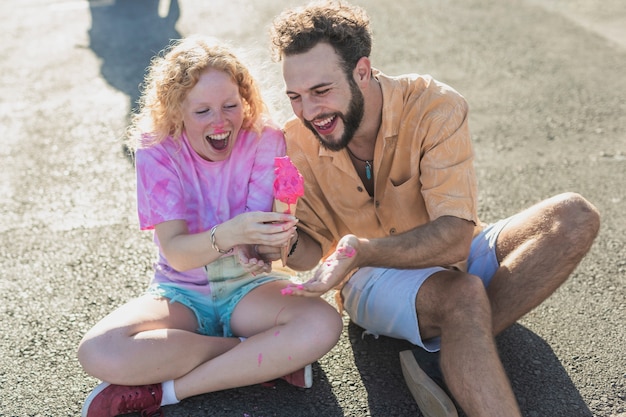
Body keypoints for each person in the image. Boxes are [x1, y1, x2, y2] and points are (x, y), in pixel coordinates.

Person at [266, 2, 601, 417]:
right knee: (463, 297)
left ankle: (444, 356)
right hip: (368, 279)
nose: (308, 111)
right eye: (295, 97)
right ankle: (463, 344)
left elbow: (456, 237)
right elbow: (312, 250)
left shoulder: (433, 105)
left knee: (574, 215)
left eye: (321, 91)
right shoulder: (294, 140)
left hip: (432, 254)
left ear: (362, 71)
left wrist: (362, 247)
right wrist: (281, 238)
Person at [77, 35, 343, 417]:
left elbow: (265, 253)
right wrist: (233, 234)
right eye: (202, 112)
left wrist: (271, 240)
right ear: (175, 111)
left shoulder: (266, 139)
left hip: (248, 289)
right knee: (99, 350)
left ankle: (168, 392)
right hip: (182, 293)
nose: (220, 122)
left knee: (322, 323)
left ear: (245, 101)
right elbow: (179, 254)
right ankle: (258, 356)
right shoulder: (156, 150)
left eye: (230, 106)